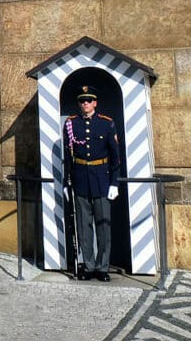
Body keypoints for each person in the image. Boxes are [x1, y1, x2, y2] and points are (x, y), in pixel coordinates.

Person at [63, 83, 120, 281]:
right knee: (83, 225)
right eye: (82, 101)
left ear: (95, 103)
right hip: (80, 179)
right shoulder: (71, 123)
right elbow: (68, 155)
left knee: (103, 225)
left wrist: (114, 183)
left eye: (88, 100)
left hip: (102, 180)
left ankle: (102, 267)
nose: (85, 103)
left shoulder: (106, 123)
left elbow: (115, 156)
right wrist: (66, 181)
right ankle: (88, 265)